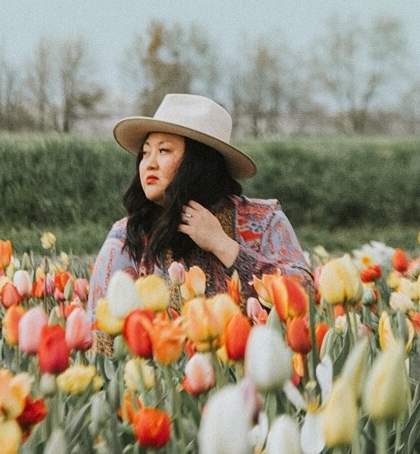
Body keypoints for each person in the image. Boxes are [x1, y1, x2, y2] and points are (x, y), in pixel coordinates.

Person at [88, 93, 310, 307]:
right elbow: (100, 319)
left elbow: (305, 294)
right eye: (145, 153)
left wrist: (222, 245)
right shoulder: (129, 234)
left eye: (164, 150)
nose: (149, 164)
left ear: (199, 161)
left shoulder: (264, 220)